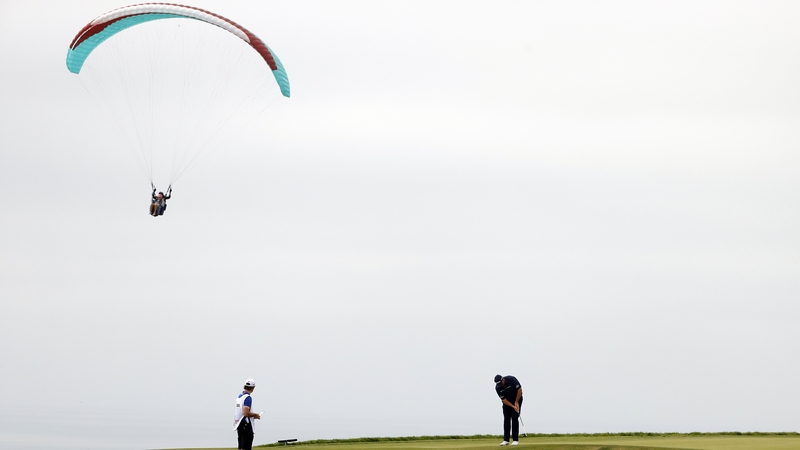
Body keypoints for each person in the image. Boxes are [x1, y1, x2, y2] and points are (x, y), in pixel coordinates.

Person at [494, 374, 523, 446]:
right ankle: (506, 440)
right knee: (506, 418)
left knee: (514, 418)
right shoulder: (498, 388)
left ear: (503, 379)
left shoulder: (512, 379)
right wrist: (512, 406)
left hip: (517, 399)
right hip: (507, 403)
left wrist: (516, 402)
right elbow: (503, 400)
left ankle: (515, 440)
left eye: (501, 383)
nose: (501, 385)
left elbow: (519, 390)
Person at [233, 378, 261, 450]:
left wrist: (252, 416)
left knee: (241, 446)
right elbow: (245, 413)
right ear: (253, 388)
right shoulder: (248, 398)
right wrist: (255, 415)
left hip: (239, 424)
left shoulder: (239, 396)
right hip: (246, 425)